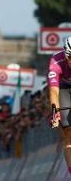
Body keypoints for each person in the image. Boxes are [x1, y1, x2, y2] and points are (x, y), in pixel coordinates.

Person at [49, 36, 71, 175]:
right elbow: (53, 91)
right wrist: (54, 113)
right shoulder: (56, 61)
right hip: (63, 88)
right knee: (68, 131)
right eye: (70, 57)